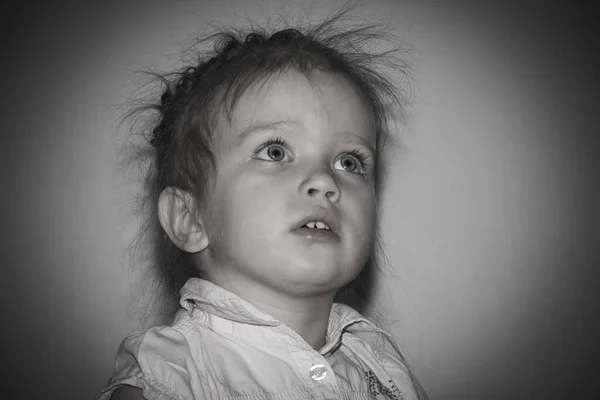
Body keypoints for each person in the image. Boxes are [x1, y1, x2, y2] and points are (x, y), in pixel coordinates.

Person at [99, 7, 428, 400]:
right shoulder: (169, 380)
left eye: (349, 162)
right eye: (275, 152)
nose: (325, 180)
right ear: (189, 219)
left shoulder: (381, 361)